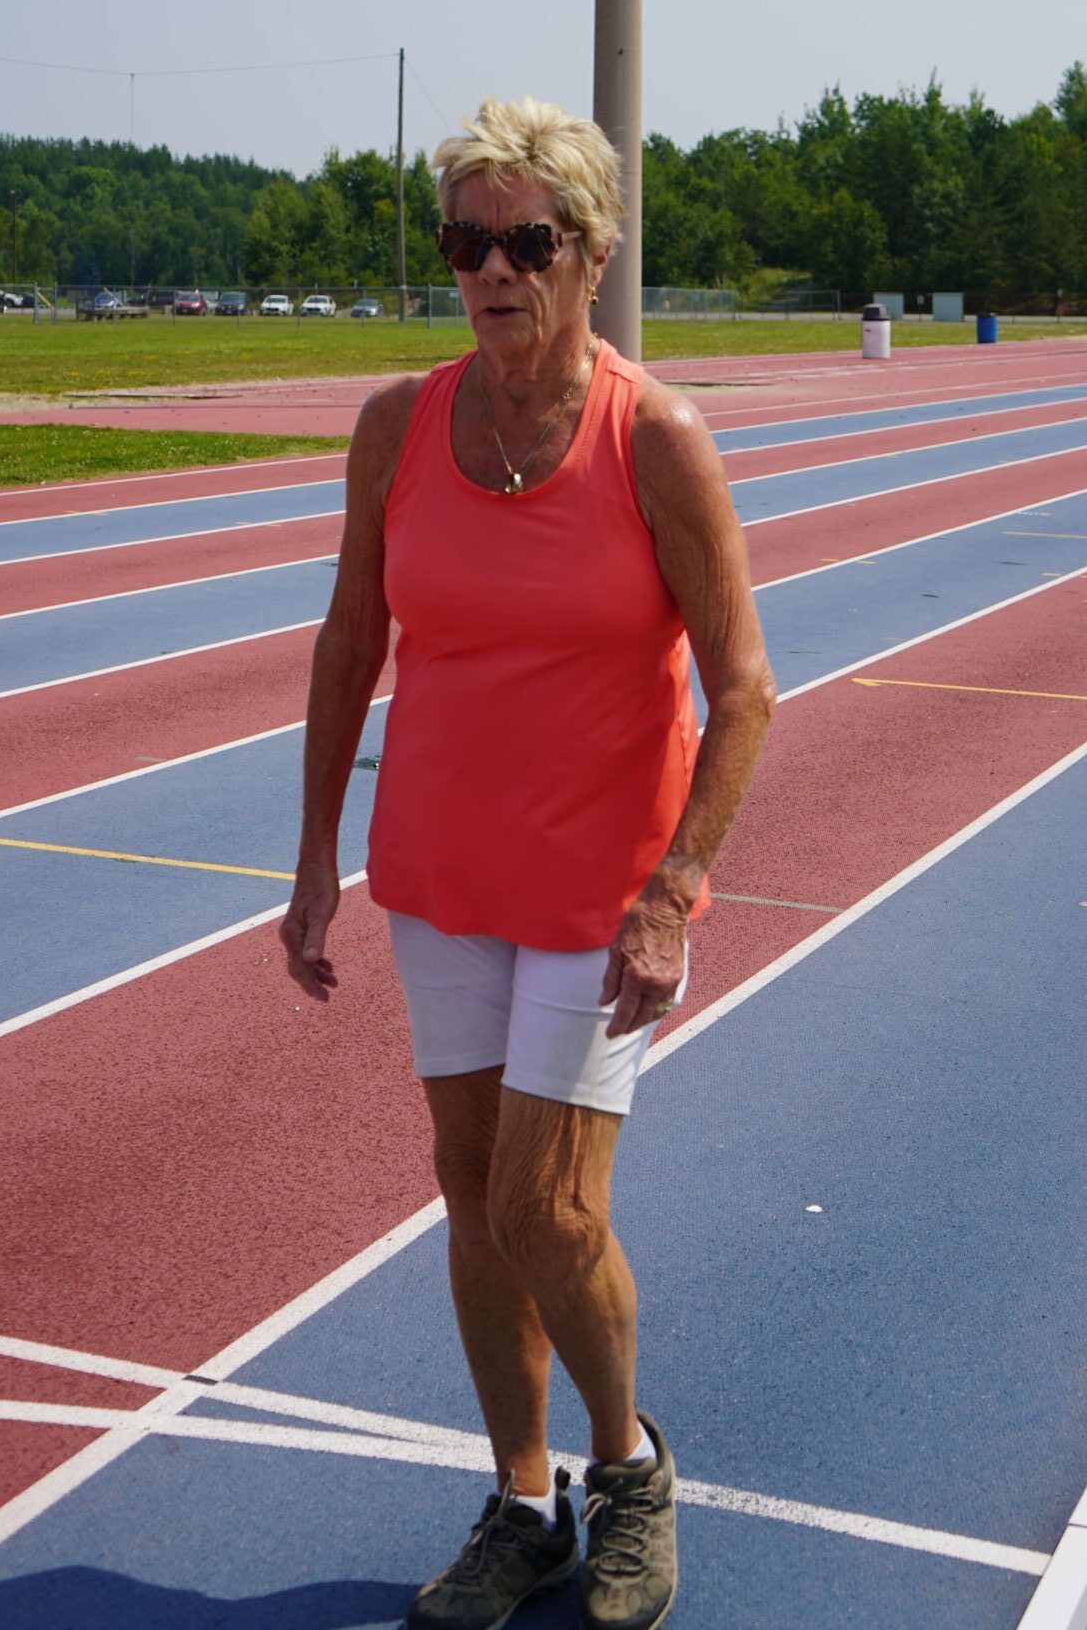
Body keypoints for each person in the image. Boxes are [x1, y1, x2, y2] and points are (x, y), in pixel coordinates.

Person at [281, 95, 775, 1630]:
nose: (492, 269)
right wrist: (314, 860)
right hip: (442, 872)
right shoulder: (399, 426)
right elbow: (351, 644)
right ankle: (523, 1500)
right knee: (473, 1197)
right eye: (466, 241)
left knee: (547, 1210)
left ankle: (628, 1472)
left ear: (591, 254)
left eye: (526, 242)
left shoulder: (654, 438)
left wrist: (673, 896)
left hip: (597, 896)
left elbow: (745, 687)